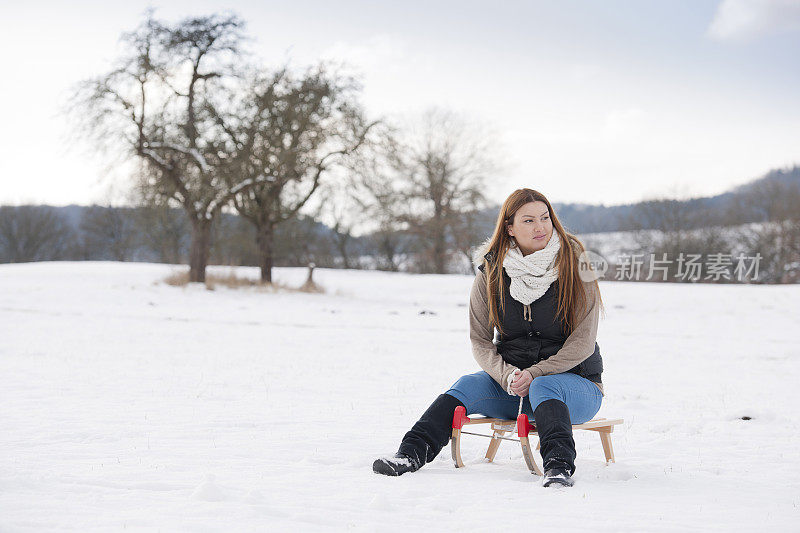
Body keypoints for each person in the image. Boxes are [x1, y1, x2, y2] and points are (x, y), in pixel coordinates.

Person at [372, 188, 605, 487]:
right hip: (515, 388)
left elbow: (583, 343)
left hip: (575, 387)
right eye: (529, 220)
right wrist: (508, 376)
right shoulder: (491, 271)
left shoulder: (577, 265)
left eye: (545, 218)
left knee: (545, 385)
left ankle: (558, 467)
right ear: (509, 228)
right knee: (467, 385)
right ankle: (409, 454)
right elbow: (480, 340)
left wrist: (536, 373)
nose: (540, 227)